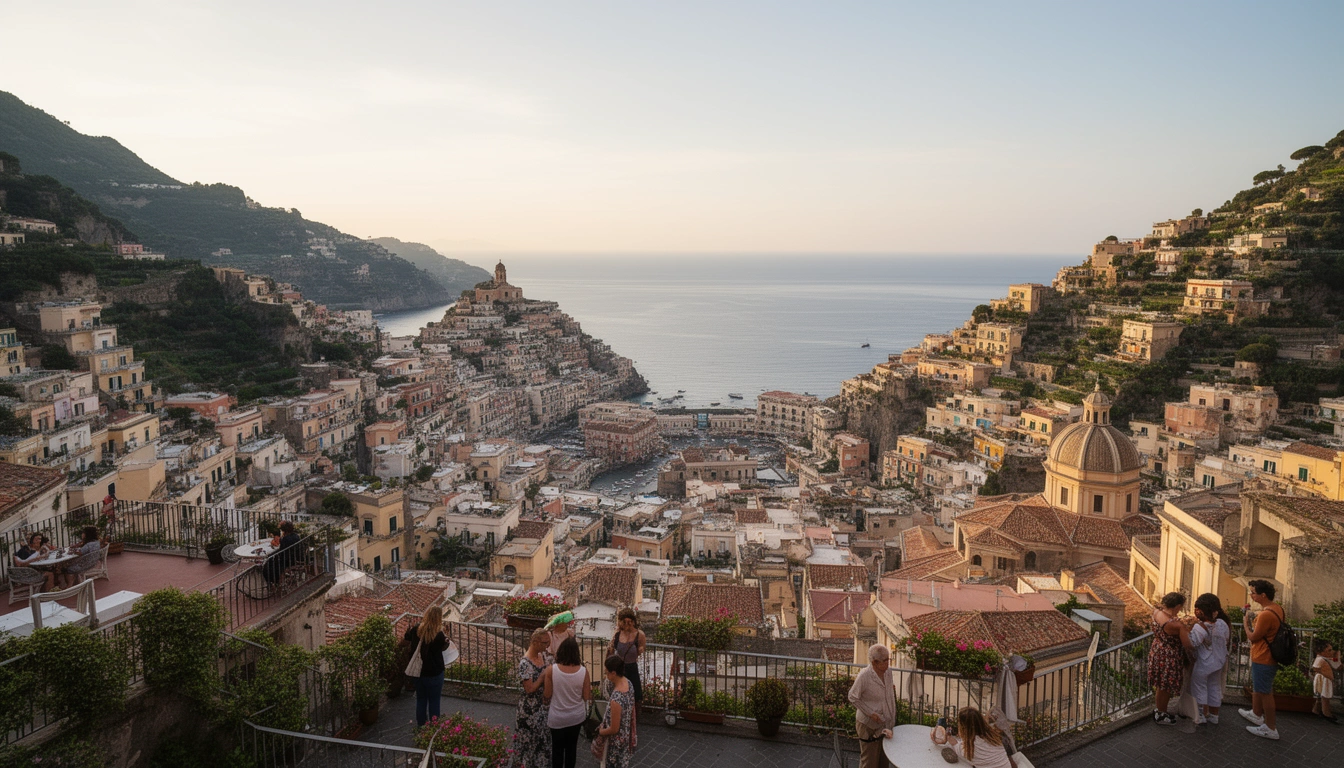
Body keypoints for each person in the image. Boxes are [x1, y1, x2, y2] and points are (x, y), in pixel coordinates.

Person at [1240, 579, 1285, 740]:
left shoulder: (1266, 614)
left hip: (1263, 657)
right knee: (1259, 688)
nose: (1251, 595)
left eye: (1253, 592)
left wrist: (1246, 622)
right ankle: (1256, 713)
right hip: (1267, 656)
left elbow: (1253, 636)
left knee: (1265, 692)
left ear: (1263, 595)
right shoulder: (1277, 609)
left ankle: (1271, 727)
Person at [543, 636, 590, 768]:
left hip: (557, 716)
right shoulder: (583, 672)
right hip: (576, 716)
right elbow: (586, 696)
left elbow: (547, 694)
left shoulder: (552, 670)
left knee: (557, 750)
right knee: (571, 749)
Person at [1184, 593, 1230, 725]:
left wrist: (1185, 631)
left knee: (1199, 687)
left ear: (1202, 611)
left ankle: (1201, 715)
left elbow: (1192, 643)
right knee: (1214, 686)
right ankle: (1214, 715)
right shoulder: (1222, 624)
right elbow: (1225, 639)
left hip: (1204, 662)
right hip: (1219, 661)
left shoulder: (1200, 627)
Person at [847, 643, 895, 768]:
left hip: (884, 724)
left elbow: (889, 696)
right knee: (869, 763)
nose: (888, 663)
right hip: (868, 726)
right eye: (885, 661)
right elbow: (852, 697)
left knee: (883, 761)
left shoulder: (888, 672)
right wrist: (870, 713)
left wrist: (891, 721)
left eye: (888, 659)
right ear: (874, 662)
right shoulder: (865, 676)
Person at [402, 605, 449, 727]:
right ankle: (433, 728)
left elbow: (406, 638)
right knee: (434, 701)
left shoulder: (417, 629)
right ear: (439, 618)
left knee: (421, 700)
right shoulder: (439, 634)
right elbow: (443, 648)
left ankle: (421, 726)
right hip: (434, 672)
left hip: (418, 672)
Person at [1148, 592, 1189, 725]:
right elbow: (1188, 644)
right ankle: (1161, 714)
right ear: (1177, 606)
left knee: (1161, 684)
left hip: (1158, 650)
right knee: (1164, 686)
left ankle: (1160, 710)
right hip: (1168, 656)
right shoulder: (1175, 625)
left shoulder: (1157, 612)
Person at [514, 629, 552, 768]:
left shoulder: (542, 655)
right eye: (544, 643)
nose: (547, 646)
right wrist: (542, 677)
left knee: (542, 742)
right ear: (535, 642)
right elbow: (529, 689)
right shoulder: (525, 663)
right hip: (529, 711)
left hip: (542, 708)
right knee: (529, 744)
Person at [930, 707, 1013, 768]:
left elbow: (955, 744)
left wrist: (946, 736)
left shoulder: (970, 749)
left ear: (963, 728)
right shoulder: (993, 736)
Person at [593, 655, 635, 768]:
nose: (605, 674)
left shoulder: (616, 699)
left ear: (613, 673)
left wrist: (601, 732)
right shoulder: (629, 684)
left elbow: (614, 728)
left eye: (607, 672)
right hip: (625, 735)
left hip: (615, 743)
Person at [607, 608, 645, 719]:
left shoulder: (639, 635)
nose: (627, 625)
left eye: (630, 622)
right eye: (625, 622)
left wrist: (640, 649)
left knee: (635, 693)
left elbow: (640, 650)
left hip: (632, 666)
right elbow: (611, 649)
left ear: (633, 621)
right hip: (619, 667)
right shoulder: (618, 634)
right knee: (619, 691)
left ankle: (633, 716)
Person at [1311, 638, 1340, 723]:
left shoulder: (1324, 658)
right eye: (1329, 650)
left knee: (1320, 696)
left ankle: (1316, 710)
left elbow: (1336, 662)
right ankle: (1326, 713)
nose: (1331, 652)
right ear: (1322, 652)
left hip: (1323, 678)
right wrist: (1322, 672)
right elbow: (1315, 668)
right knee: (1325, 696)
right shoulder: (1321, 659)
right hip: (1325, 679)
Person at [263, 521, 301, 585]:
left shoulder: (285, 539)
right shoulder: (296, 536)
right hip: (295, 557)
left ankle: (274, 582)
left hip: (287, 561)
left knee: (268, 565)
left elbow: (282, 552)